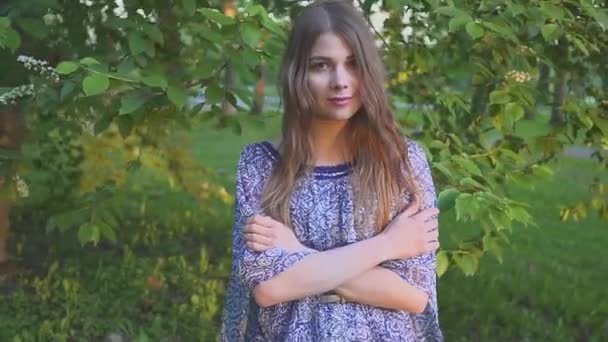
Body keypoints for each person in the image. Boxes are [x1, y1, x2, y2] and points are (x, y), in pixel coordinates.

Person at [221, 0, 442, 340]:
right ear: (298, 73)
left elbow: (412, 296)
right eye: (321, 65)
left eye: (353, 64)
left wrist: (297, 254)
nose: (340, 81)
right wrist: (387, 246)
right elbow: (268, 288)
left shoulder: (402, 163)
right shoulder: (261, 166)